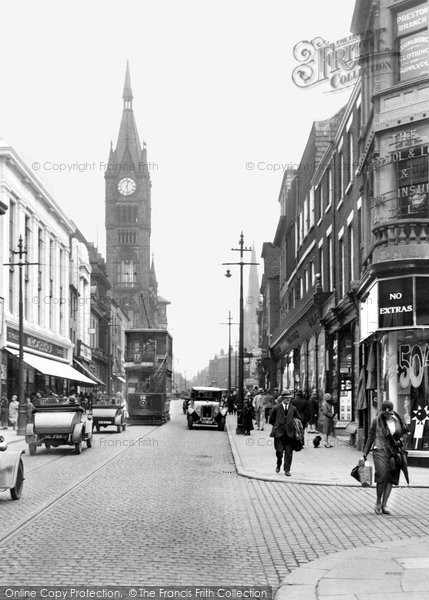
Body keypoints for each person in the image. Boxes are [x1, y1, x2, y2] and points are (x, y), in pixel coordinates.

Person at [363, 399, 408, 515]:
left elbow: (404, 434)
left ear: (392, 411)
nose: (387, 415)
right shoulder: (376, 421)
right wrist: (365, 453)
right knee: (382, 475)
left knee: (391, 477)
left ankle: (384, 504)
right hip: (380, 450)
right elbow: (371, 436)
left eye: (389, 413)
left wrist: (401, 440)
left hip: (393, 451)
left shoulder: (398, 420)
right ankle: (378, 501)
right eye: (385, 413)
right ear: (382, 411)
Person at [269, 389, 301, 476]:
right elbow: (271, 420)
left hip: (290, 434)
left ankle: (287, 469)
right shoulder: (276, 408)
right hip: (279, 434)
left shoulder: (293, 408)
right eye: (286, 398)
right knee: (279, 451)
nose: (288, 399)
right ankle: (279, 463)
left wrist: (294, 426)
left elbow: (298, 418)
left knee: (289, 452)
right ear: (282, 398)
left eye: (289, 398)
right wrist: (277, 425)